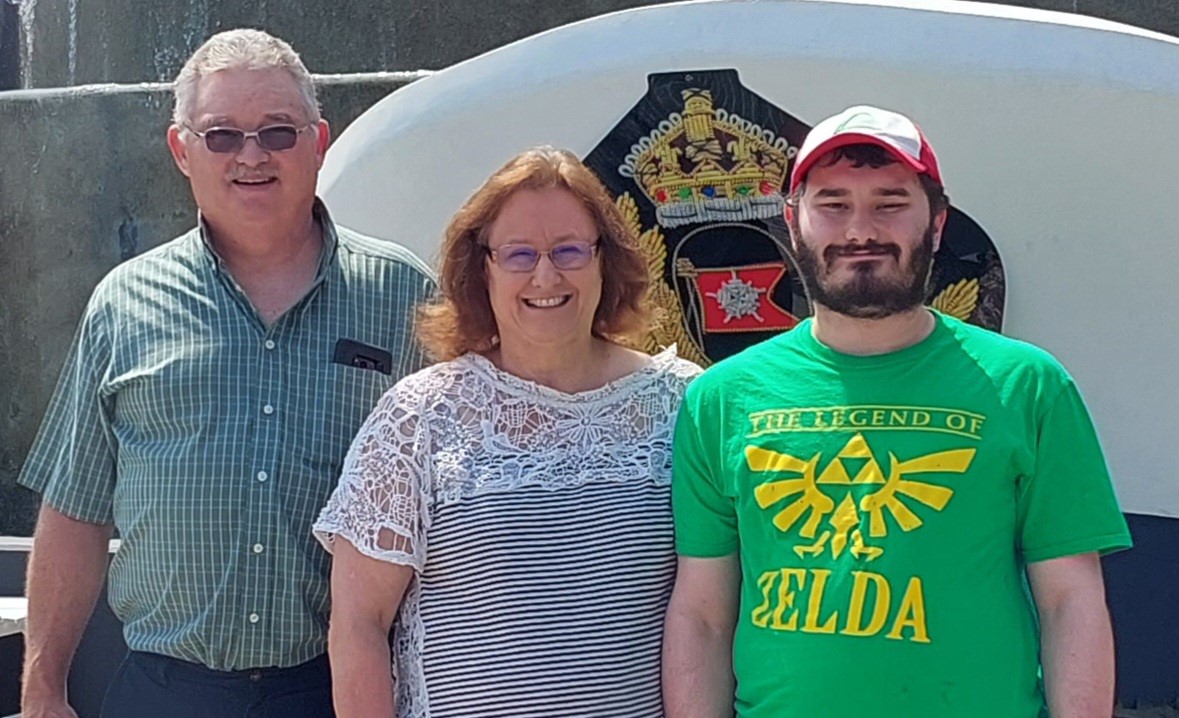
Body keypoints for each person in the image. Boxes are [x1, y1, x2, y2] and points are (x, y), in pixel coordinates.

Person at [663, 105, 1131, 718]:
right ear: (793, 223)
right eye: (833, 204)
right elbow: (703, 613)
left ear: (936, 224)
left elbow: (1070, 600)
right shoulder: (721, 398)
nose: (861, 230)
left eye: (890, 203)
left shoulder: (1027, 387)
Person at [19, 29, 434, 718]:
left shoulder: (405, 298)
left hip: (339, 691)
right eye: (221, 135)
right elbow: (75, 509)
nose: (251, 155)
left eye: (278, 132)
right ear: (182, 150)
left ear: (318, 141)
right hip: (164, 692)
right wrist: (41, 689)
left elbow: (456, 509)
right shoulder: (124, 303)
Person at [313, 146, 701, 717]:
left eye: (569, 249)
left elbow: (713, 612)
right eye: (519, 254)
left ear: (605, 260)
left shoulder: (685, 404)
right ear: (483, 269)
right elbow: (358, 625)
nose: (546, 275)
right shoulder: (418, 417)